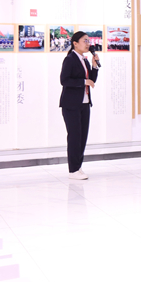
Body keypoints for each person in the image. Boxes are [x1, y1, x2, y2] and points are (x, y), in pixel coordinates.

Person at [59, 31, 99, 180]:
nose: (88, 44)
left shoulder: (85, 60)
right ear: (75, 43)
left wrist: (94, 67)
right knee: (74, 136)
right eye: (85, 41)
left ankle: (78, 166)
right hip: (71, 104)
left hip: (84, 103)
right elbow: (64, 80)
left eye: (88, 41)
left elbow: (91, 81)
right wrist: (83, 82)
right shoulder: (70, 59)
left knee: (82, 136)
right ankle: (73, 170)